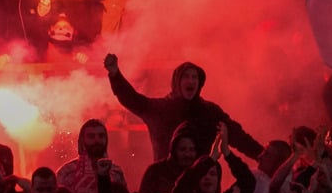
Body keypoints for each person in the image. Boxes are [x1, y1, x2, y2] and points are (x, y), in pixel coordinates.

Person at [104, 53, 264, 162]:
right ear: (177, 82)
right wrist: (115, 74)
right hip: (165, 181)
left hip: (200, 182)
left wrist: (262, 155)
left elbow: (237, 135)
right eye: (186, 76)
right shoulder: (159, 109)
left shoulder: (209, 112)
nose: (191, 81)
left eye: (194, 77)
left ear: (199, 83)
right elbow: (131, 99)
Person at [56, 119, 127, 193]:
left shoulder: (116, 172)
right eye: (91, 136)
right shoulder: (66, 172)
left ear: (106, 140)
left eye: (101, 136)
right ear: (82, 140)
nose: (97, 140)